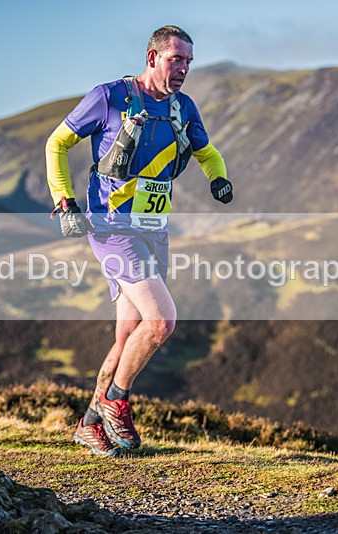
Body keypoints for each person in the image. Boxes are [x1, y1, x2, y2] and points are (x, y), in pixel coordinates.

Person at [45, 25, 233, 457]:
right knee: (161, 322)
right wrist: (64, 199)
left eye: (188, 61)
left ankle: (90, 422)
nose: (184, 68)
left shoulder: (183, 108)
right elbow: (57, 143)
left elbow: (206, 152)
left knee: (128, 333)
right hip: (111, 229)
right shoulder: (109, 96)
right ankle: (117, 400)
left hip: (154, 229)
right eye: (176, 60)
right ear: (152, 59)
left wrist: (218, 178)